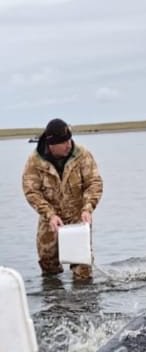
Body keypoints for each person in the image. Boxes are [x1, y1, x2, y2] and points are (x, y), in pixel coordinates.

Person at [22, 118, 103, 280]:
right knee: (48, 264)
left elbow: (94, 183)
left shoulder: (82, 155)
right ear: (51, 145)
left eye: (69, 140)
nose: (69, 144)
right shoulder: (35, 161)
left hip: (78, 217)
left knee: (82, 268)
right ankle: (54, 302)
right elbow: (31, 191)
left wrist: (87, 208)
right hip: (50, 219)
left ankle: (84, 302)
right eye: (64, 142)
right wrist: (49, 214)